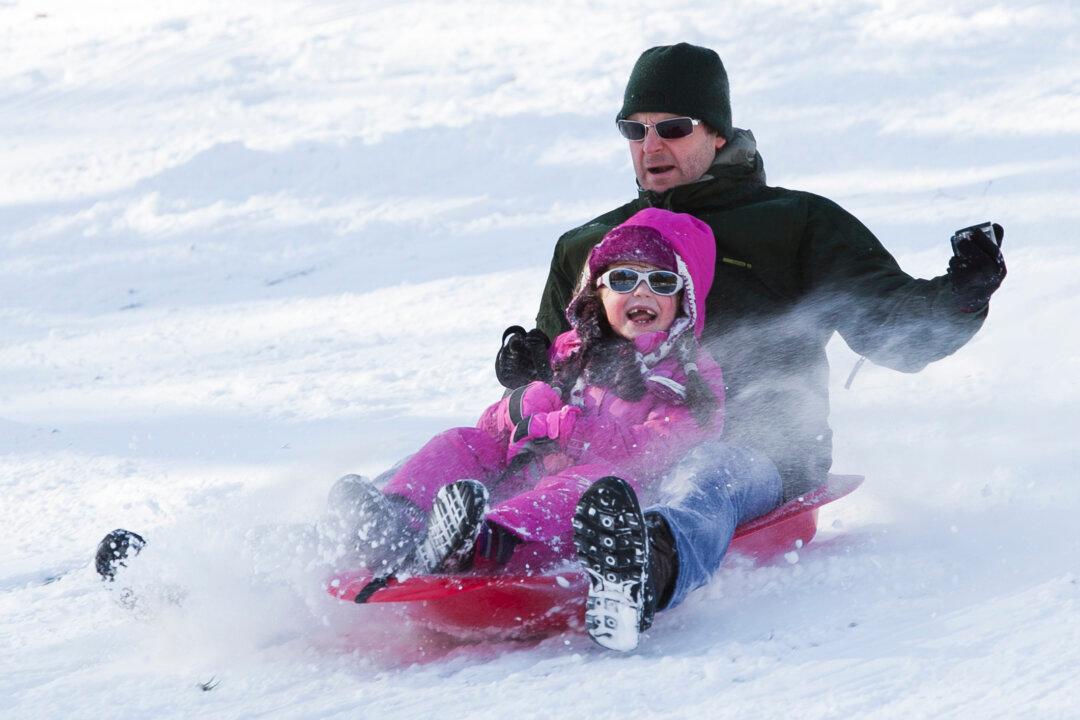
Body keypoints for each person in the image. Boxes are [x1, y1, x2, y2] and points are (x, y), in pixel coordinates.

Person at [497, 42, 1007, 651]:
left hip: (761, 446)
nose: (649, 146)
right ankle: (414, 525)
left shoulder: (793, 223)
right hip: (614, 449)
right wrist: (528, 364)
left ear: (717, 134)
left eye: (672, 128)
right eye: (634, 130)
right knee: (483, 450)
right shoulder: (593, 244)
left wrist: (963, 294)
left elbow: (896, 334)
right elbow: (559, 374)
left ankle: (642, 569)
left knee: (705, 472)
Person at [322, 207, 735, 596]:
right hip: (527, 471)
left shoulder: (691, 374)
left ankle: (478, 543)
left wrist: (570, 429)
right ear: (598, 292)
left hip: (605, 506)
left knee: (586, 481)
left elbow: (659, 450)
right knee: (464, 442)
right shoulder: (571, 351)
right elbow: (496, 431)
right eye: (624, 279)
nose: (642, 292)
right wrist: (521, 406)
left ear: (685, 300)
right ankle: (396, 521)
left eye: (662, 283)